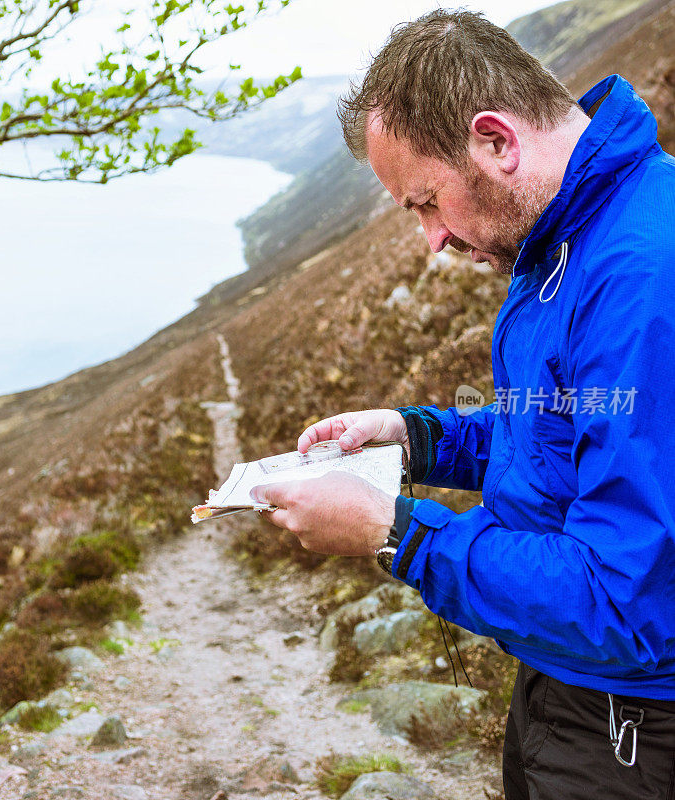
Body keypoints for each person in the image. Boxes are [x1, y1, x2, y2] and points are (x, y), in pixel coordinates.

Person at [249, 10, 675, 800]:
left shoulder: (640, 279)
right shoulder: (563, 236)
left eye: (426, 201)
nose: (432, 239)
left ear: (495, 142)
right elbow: (562, 434)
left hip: (631, 725)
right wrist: (413, 439)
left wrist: (394, 534)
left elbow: (624, 599)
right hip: (568, 682)